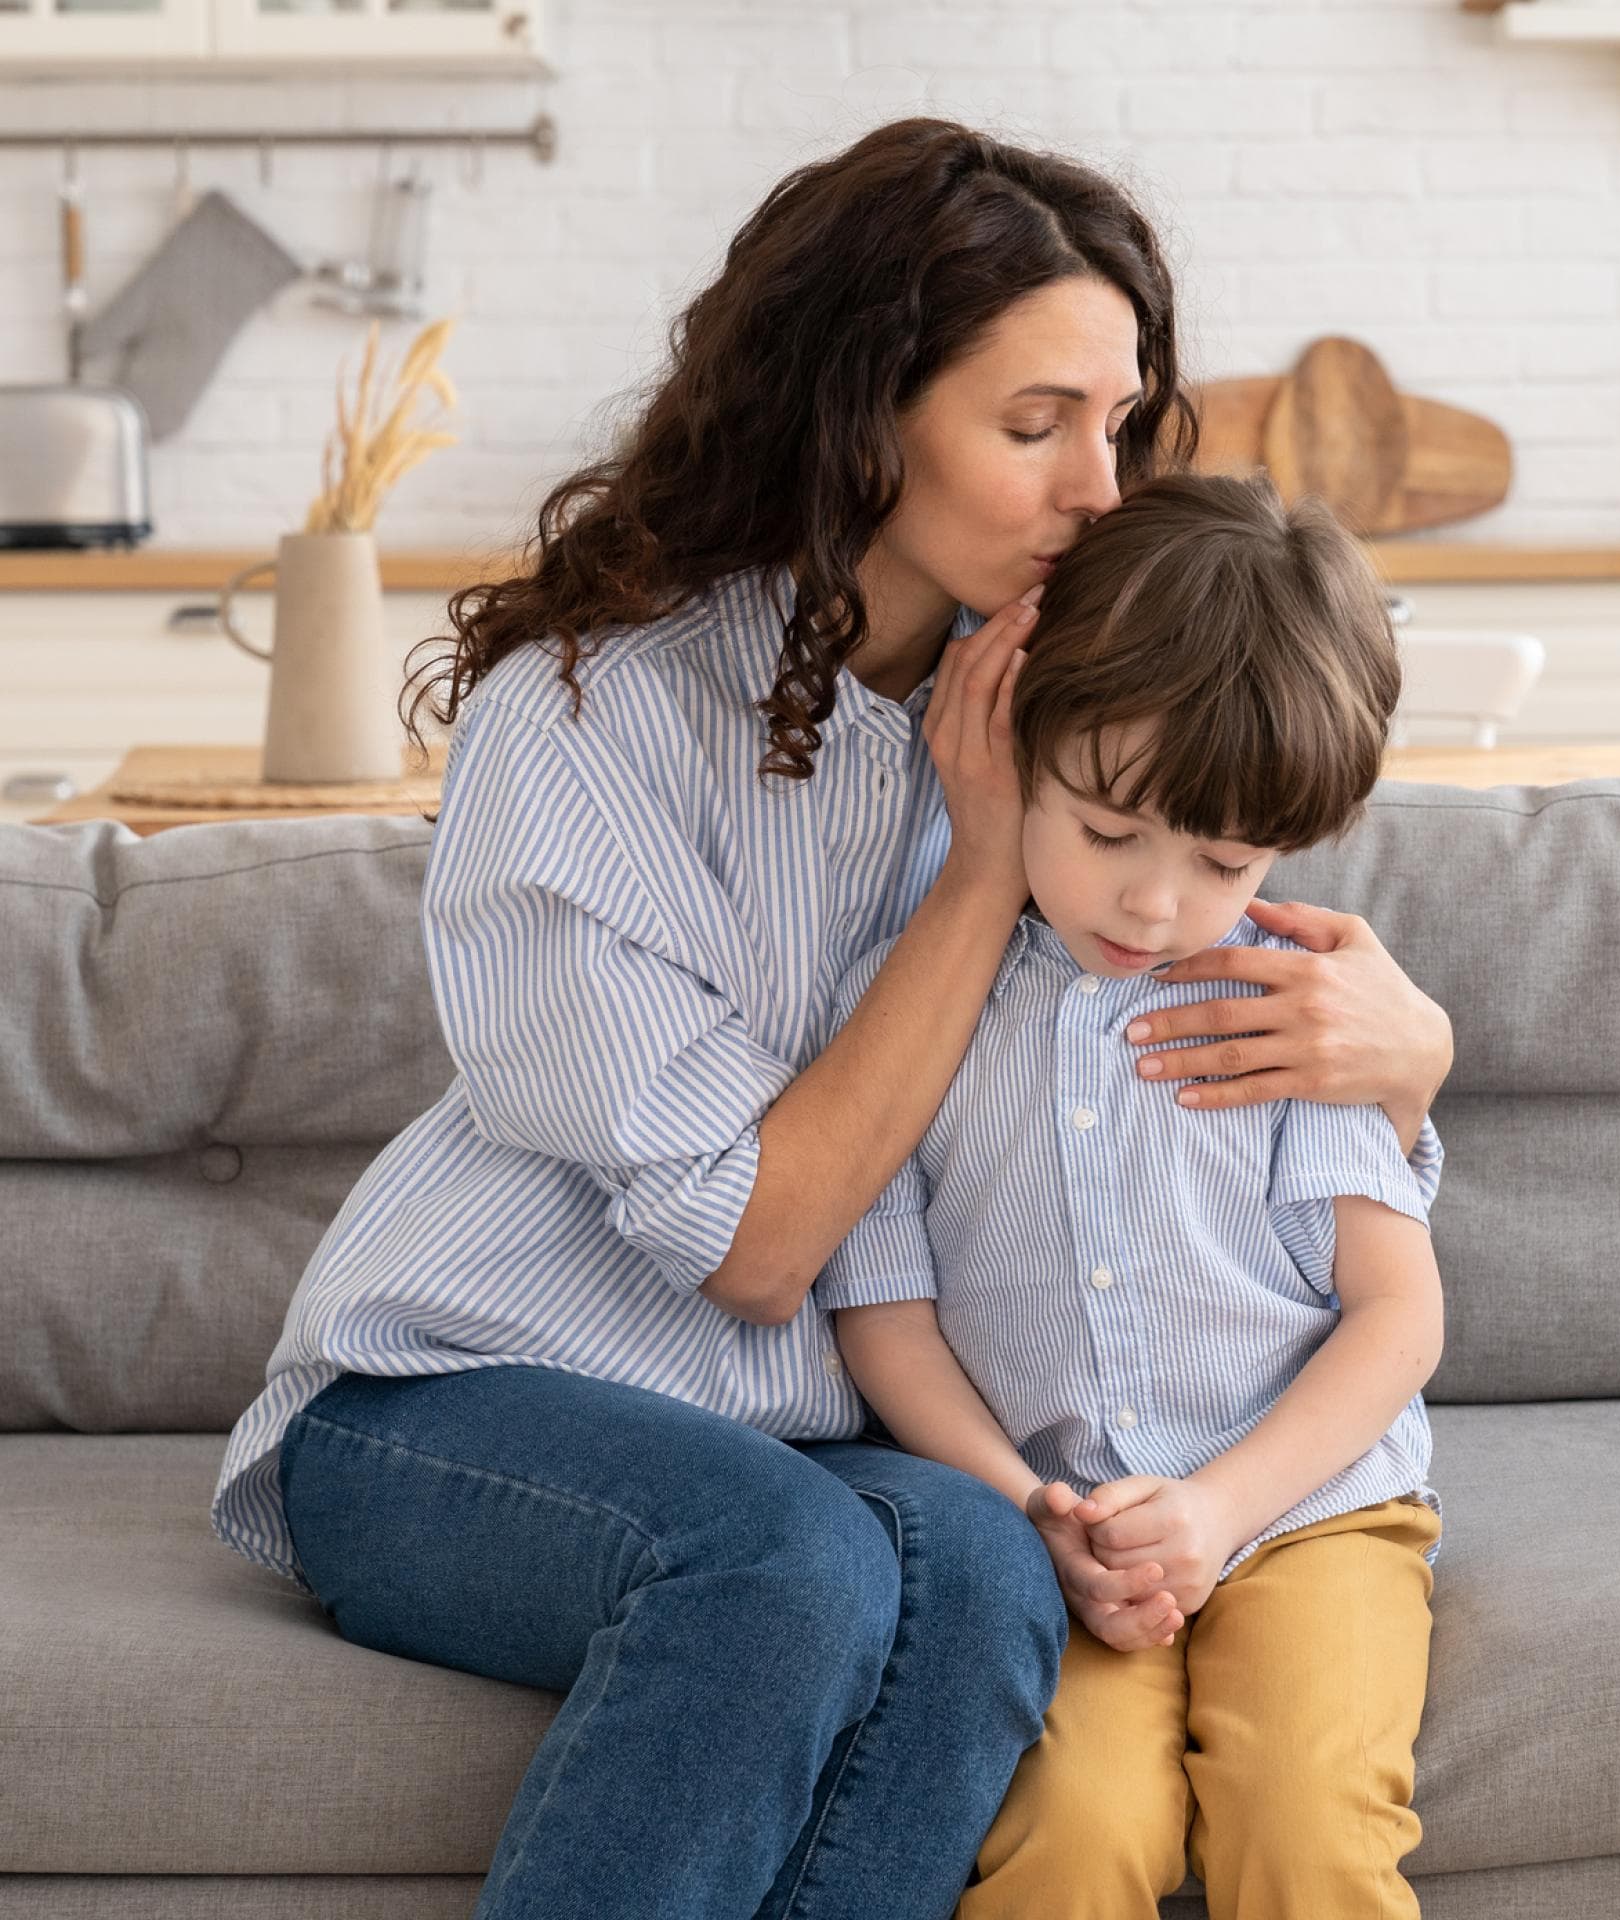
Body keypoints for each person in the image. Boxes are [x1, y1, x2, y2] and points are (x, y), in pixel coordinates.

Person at [207, 118, 1454, 1920]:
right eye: (1033, 426)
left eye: (1117, 425)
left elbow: (1220, 967)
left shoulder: (1070, 723)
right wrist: (978, 868)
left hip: (816, 1435)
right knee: (790, 1568)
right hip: (458, 1397)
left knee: (985, 1576)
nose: (1098, 489)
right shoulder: (591, 718)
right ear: (864, 422)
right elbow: (764, 1243)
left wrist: (1411, 1065)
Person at [817, 470, 1447, 1920]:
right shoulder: (913, 1009)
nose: (1157, 904)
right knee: (1072, 1836)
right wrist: (1029, 1512)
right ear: (1014, 744)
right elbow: (884, 1319)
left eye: (1223, 861)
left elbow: (1396, 1315)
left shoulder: (1298, 1009)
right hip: (1056, 1539)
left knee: (1307, 1823)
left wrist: (1219, 1509)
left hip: (1308, 1515)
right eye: (1108, 834)